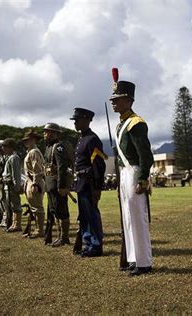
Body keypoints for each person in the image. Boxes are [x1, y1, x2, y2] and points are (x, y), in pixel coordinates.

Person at [110, 73, 154, 276]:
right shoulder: (122, 124)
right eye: (113, 100)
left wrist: (143, 178)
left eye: (117, 99)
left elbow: (146, 155)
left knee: (137, 217)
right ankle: (134, 259)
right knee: (128, 217)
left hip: (135, 172)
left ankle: (144, 261)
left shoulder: (136, 123)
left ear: (128, 100)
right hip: (124, 173)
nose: (113, 103)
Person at [70, 107, 107, 257]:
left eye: (77, 120)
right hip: (81, 182)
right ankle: (88, 243)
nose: (75, 123)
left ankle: (96, 246)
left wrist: (98, 186)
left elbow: (99, 164)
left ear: (86, 120)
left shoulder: (92, 139)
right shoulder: (81, 139)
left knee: (91, 214)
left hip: (90, 182)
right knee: (84, 215)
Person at [43, 123, 71, 247]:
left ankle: (64, 237)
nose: (45, 134)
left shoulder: (58, 147)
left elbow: (61, 167)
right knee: (54, 210)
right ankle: (59, 236)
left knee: (61, 211)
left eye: (47, 132)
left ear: (54, 133)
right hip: (50, 183)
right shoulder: (48, 147)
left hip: (56, 183)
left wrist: (61, 185)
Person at [22, 129, 46, 238]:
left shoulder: (34, 152)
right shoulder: (31, 152)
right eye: (25, 140)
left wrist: (35, 184)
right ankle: (37, 229)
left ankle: (40, 230)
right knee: (34, 207)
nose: (26, 142)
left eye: (28, 140)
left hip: (34, 181)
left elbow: (37, 169)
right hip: (30, 181)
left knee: (37, 207)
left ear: (34, 140)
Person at [2, 138, 23, 232]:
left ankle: (17, 224)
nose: (3, 149)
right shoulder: (9, 157)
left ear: (11, 147)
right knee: (11, 205)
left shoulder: (14, 158)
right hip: (8, 185)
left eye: (5, 147)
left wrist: (17, 186)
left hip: (12, 185)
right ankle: (14, 223)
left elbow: (16, 174)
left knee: (15, 205)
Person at [0, 140, 9, 227]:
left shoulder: (6, 158)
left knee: (5, 202)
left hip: (3, 182)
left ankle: (7, 219)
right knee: (0, 201)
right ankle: (4, 219)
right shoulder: (0, 158)